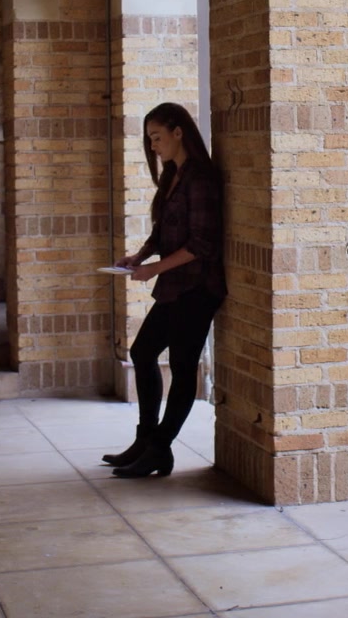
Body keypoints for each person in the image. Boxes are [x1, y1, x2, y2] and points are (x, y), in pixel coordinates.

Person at [103, 102, 226, 479]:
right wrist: (139, 256)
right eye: (150, 140)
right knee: (142, 352)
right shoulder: (174, 175)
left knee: (183, 367)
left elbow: (202, 243)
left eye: (157, 138)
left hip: (198, 286)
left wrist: (154, 268)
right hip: (175, 285)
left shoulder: (201, 178)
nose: (153, 146)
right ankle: (146, 440)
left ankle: (159, 447)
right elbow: (163, 230)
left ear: (178, 132)